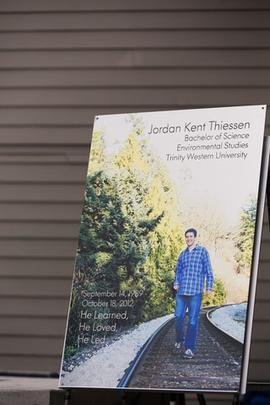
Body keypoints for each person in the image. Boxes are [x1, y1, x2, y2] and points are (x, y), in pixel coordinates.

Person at [174, 228, 213, 359]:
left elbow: (208, 270)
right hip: (181, 292)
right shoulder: (182, 254)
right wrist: (176, 282)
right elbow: (178, 271)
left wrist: (209, 286)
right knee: (178, 317)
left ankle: (189, 348)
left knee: (192, 321)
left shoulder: (202, 251)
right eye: (186, 237)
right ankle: (180, 339)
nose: (188, 238)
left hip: (195, 292)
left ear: (195, 237)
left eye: (190, 236)